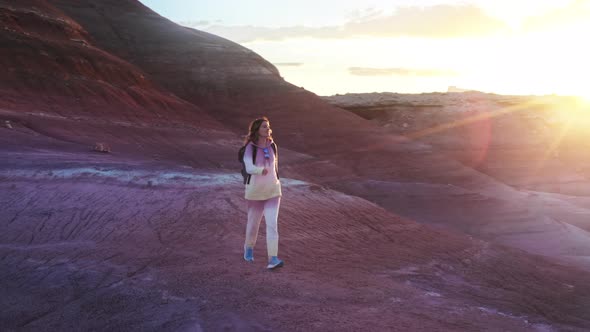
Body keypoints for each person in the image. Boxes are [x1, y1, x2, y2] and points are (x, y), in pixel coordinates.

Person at [242, 117, 284, 269]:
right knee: (253, 224)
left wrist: (276, 181)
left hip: (273, 191)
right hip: (255, 192)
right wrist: (260, 170)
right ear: (257, 130)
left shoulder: (273, 146)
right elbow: (248, 168)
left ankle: (272, 258)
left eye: (268, 126)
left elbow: (275, 168)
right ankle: (249, 247)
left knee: (272, 225)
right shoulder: (250, 148)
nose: (268, 129)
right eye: (264, 127)